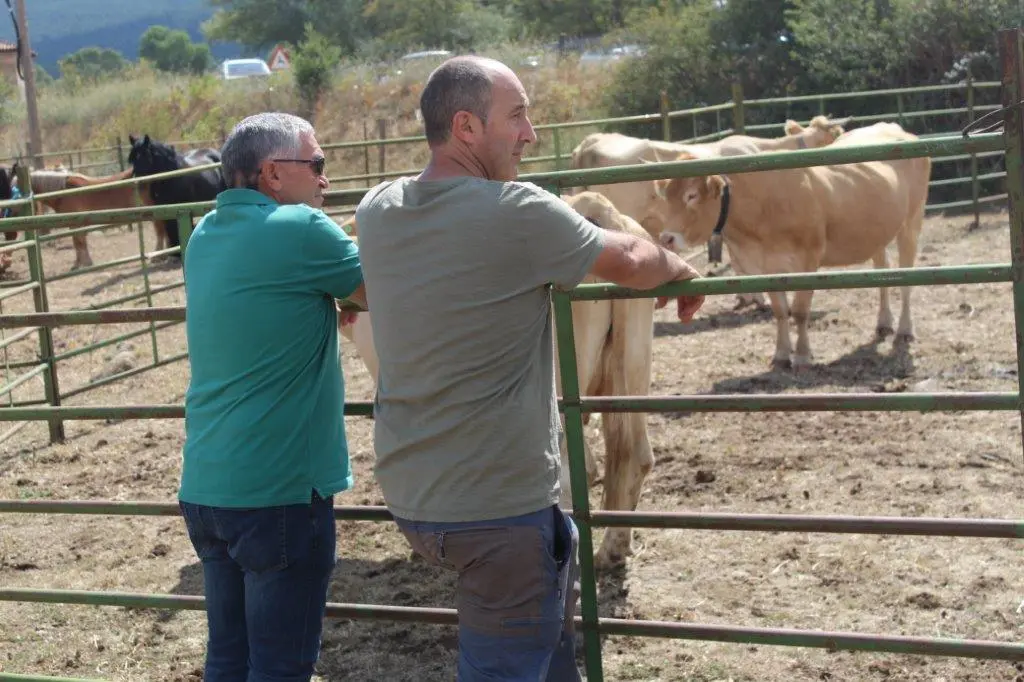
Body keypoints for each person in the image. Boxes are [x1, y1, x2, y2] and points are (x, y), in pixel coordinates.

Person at [354, 56, 704, 681]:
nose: (531, 134)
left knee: (547, 657)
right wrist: (678, 267)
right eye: (516, 116)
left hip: (415, 499)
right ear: (465, 126)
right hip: (497, 513)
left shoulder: (379, 208)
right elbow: (628, 258)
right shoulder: (516, 210)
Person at [177, 112, 366, 682]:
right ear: (273, 174)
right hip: (278, 490)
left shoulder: (204, 234)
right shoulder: (301, 229)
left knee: (228, 659)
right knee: (282, 667)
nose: (325, 180)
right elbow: (381, 291)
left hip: (208, 486)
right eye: (317, 164)